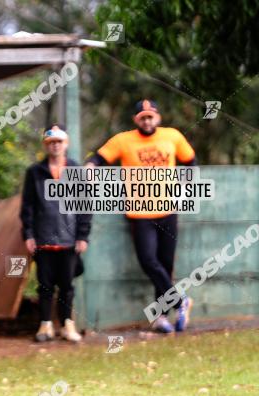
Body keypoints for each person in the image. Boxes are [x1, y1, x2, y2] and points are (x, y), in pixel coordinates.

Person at [86, 99, 196, 333]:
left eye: (150, 116)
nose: (147, 120)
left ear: (157, 117)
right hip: (139, 212)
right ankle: (180, 300)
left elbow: (190, 161)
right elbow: (98, 158)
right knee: (148, 260)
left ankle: (161, 317)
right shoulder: (123, 140)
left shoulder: (173, 136)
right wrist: (90, 167)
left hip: (168, 209)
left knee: (165, 265)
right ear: (136, 120)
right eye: (142, 117)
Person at [21, 125, 91, 342]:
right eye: (51, 142)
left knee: (67, 286)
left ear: (65, 144)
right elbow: (28, 207)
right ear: (46, 145)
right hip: (43, 239)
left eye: (59, 142)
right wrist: (28, 235)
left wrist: (82, 235)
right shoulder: (34, 172)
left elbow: (84, 206)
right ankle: (45, 325)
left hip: (69, 240)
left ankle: (67, 325)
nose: (55, 146)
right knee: (44, 285)